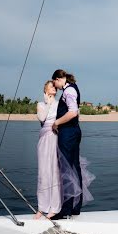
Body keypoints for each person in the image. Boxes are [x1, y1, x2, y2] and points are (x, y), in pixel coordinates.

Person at [51, 69, 83, 219]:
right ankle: (75, 206)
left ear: (59, 79)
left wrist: (56, 123)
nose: (55, 87)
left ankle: (66, 209)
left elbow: (73, 112)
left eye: (55, 83)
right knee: (75, 168)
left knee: (66, 169)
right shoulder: (73, 88)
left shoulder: (68, 91)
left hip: (68, 133)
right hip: (75, 131)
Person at [34, 80, 61, 219]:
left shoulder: (60, 104)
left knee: (55, 172)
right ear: (45, 90)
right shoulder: (40, 104)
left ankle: (55, 207)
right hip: (44, 140)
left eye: (54, 86)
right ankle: (42, 207)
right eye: (50, 87)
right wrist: (47, 103)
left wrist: (52, 103)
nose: (53, 88)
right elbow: (42, 118)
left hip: (56, 138)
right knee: (43, 173)